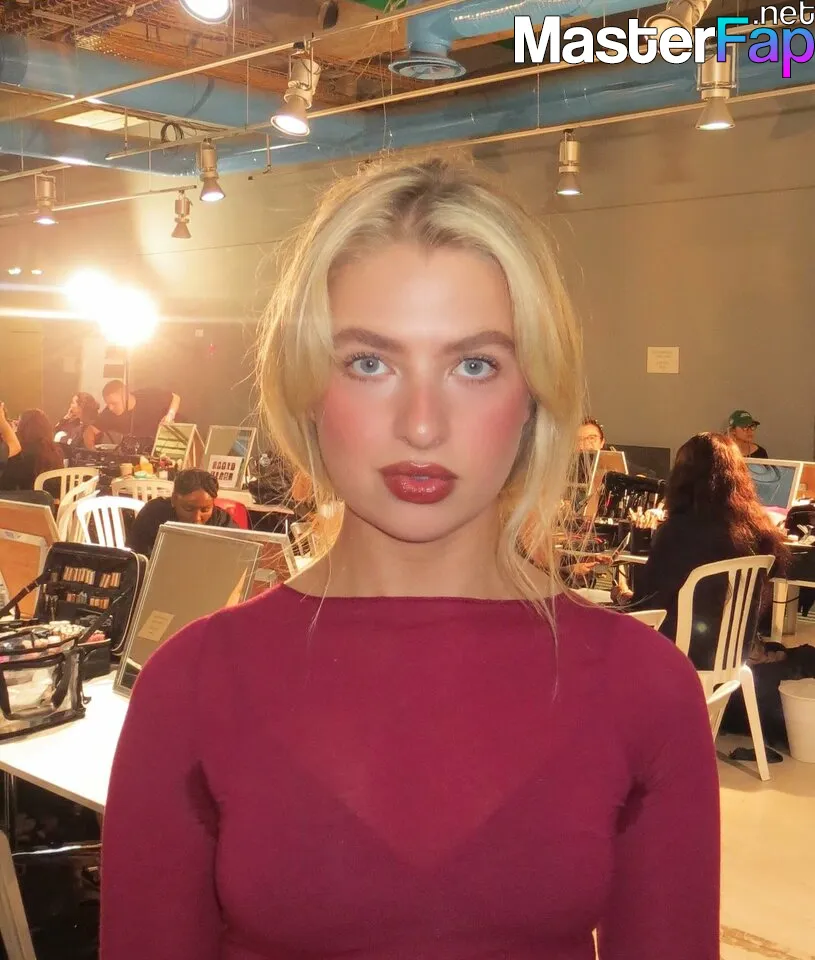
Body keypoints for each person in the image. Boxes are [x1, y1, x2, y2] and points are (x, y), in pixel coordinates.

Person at [101, 157, 720, 960]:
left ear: (533, 396)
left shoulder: (643, 688)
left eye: (473, 365)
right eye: (370, 363)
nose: (421, 424)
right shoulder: (192, 685)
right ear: (307, 387)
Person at [614, 433, 789, 669]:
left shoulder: (676, 532)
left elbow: (646, 607)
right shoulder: (758, 528)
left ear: (682, 478)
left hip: (678, 654)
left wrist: (622, 595)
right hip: (733, 653)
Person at [125, 469, 237, 557]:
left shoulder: (221, 521)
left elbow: (239, 556)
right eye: (188, 509)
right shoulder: (153, 514)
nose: (197, 518)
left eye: (205, 510)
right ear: (174, 499)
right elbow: (136, 560)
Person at [84, 380, 181, 448]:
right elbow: (89, 432)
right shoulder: (109, 413)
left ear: (125, 396)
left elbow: (175, 397)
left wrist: (170, 415)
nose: (110, 408)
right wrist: (93, 452)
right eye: (108, 404)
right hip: (146, 450)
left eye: (114, 403)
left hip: (174, 439)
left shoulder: (147, 396)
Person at [0, 406, 64, 491]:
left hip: (23, 497)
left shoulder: (19, 452)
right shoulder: (55, 449)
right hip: (54, 497)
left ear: (23, 427)